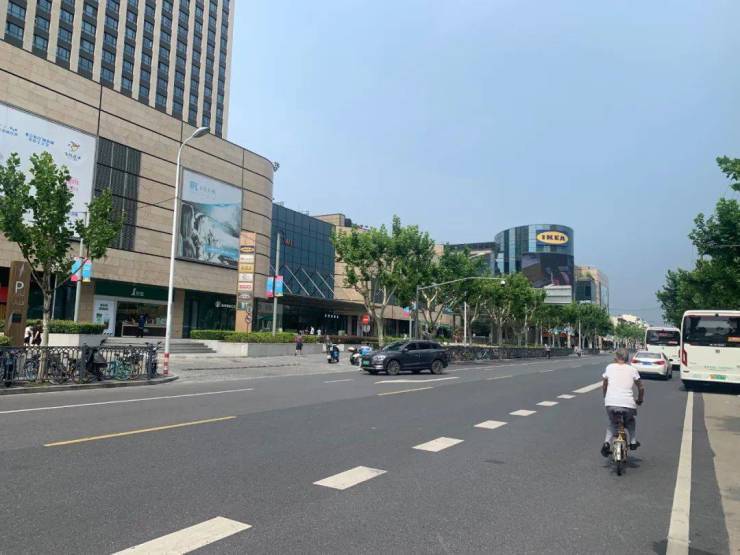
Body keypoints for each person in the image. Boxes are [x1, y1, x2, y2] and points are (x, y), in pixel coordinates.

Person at [601, 350, 645, 456]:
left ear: (616, 357)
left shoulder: (609, 367)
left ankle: (606, 443)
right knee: (630, 421)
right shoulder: (633, 370)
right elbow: (641, 387)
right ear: (627, 358)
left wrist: (606, 396)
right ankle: (633, 441)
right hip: (628, 404)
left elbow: (604, 384)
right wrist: (640, 399)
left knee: (613, 422)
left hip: (610, 403)